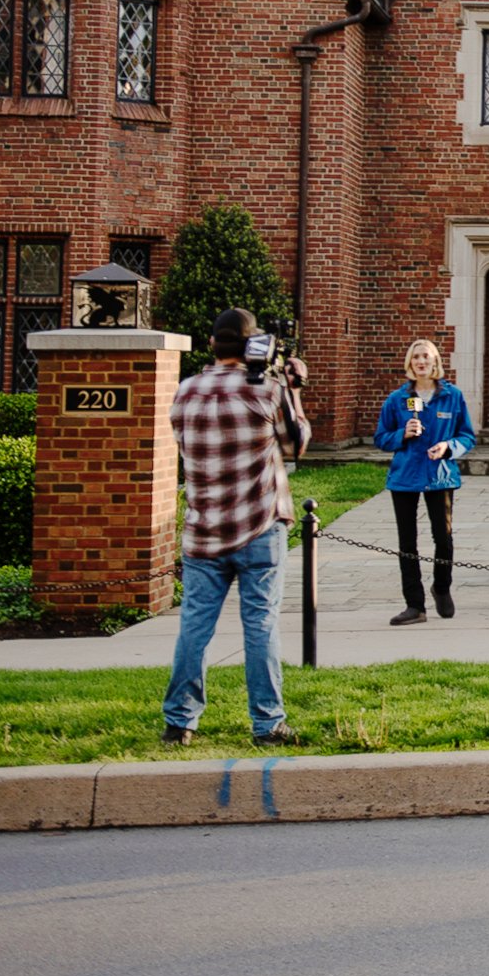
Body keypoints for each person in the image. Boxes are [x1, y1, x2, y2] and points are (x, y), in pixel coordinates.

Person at [162, 307, 311, 746]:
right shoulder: (266, 391)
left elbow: (182, 444)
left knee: (194, 626)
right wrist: (293, 389)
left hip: (203, 529)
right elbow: (297, 445)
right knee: (260, 625)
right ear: (251, 348)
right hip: (259, 525)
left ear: (211, 344)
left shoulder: (186, 391)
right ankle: (267, 724)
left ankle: (180, 722)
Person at [374, 337, 475, 625]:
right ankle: (414, 605)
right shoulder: (396, 400)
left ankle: (441, 587)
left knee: (443, 538)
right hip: (405, 476)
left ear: (435, 362)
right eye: (416, 357)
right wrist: (402, 434)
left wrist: (447, 447)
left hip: (440, 476)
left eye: (426, 357)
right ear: (410, 363)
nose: (421, 361)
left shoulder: (452, 396)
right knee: (408, 542)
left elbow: (467, 436)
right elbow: (381, 438)